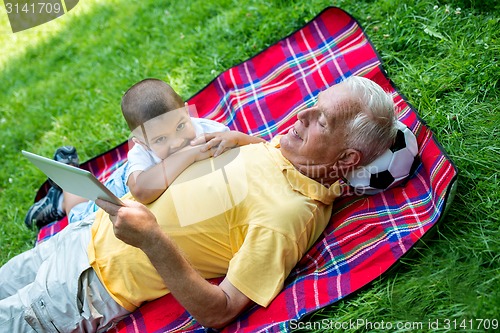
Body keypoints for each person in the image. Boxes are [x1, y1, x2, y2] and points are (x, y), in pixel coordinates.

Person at [1, 76, 398, 332]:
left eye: (320, 121)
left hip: (89, 287)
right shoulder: (289, 149)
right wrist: (247, 140)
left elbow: (220, 311)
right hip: (85, 232)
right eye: (311, 104)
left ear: (346, 161)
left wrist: (152, 239)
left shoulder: (288, 215)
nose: (299, 114)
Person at [24, 78, 265, 228]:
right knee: (79, 216)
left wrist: (237, 138)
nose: (177, 142)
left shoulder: (208, 131)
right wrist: (189, 155)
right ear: (142, 142)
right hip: (123, 188)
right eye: (161, 139)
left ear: (186, 112)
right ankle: (66, 187)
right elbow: (141, 191)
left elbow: (262, 148)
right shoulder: (141, 153)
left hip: (143, 175)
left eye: (181, 126)